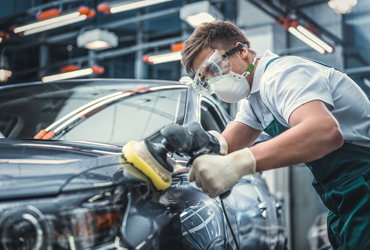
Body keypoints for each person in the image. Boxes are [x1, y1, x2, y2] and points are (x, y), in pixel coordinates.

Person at [181, 20, 370, 250]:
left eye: (214, 69)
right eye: (205, 80)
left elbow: (325, 132)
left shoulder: (282, 74)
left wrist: (239, 164)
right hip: (344, 193)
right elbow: (224, 146)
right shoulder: (254, 101)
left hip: (364, 180)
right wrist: (172, 159)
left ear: (241, 51)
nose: (213, 82)